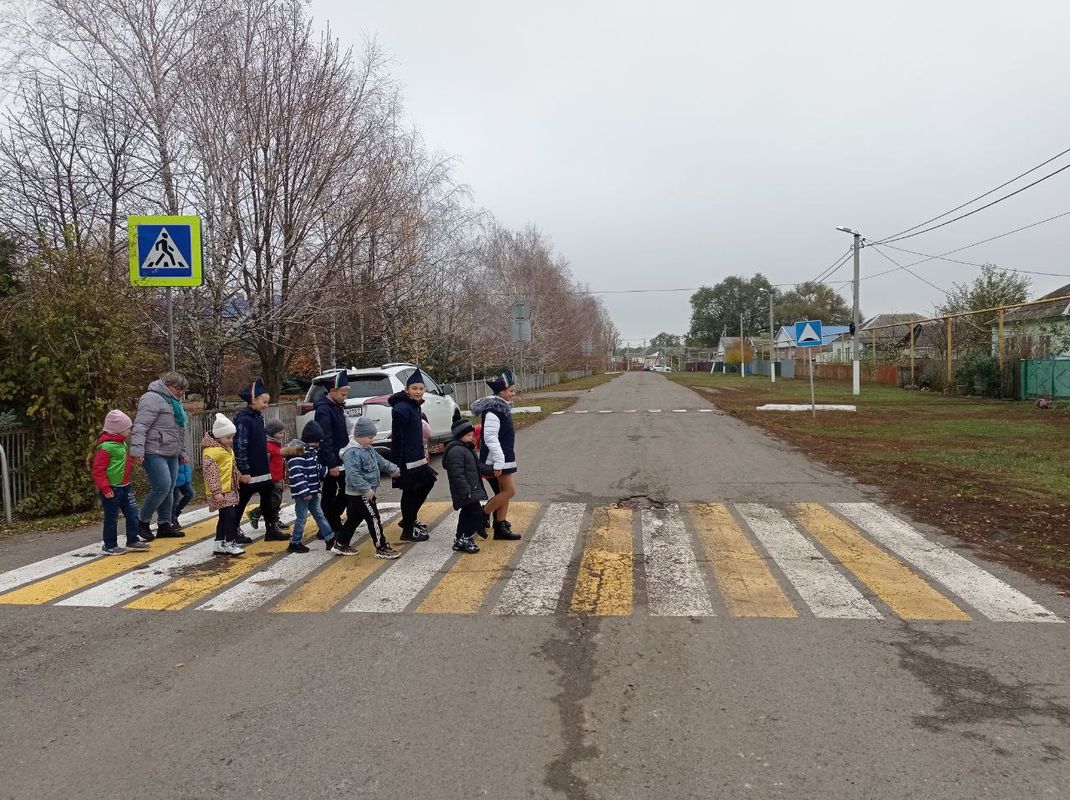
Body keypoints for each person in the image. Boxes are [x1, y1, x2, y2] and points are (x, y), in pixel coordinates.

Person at [130, 371, 190, 540]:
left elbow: (179, 430)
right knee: (162, 486)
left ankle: (164, 524)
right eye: (178, 388)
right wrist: (137, 452)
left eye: (183, 390)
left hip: (171, 451)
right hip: (153, 450)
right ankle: (142, 521)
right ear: (167, 384)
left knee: (170, 489)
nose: (181, 392)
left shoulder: (174, 402)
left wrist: (182, 452)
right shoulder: (151, 398)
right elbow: (140, 426)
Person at [338, 417, 401, 559]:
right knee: (374, 518)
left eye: (373, 437)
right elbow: (353, 475)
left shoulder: (368, 448)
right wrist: (366, 489)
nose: (372, 440)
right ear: (359, 436)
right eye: (370, 437)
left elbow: (381, 461)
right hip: (361, 493)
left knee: (354, 518)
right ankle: (381, 547)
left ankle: (341, 543)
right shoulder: (352, 452)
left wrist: (394, 470)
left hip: (365, 491)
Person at [91, 409, 151, 555]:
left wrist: (133, 460)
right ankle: (110, 545)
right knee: (111, 517)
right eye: (127, 428)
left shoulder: (122, 444)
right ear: (117, 431)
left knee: (132, 513)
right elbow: (98, 470)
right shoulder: (105, 447)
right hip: (112, 488)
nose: (129, 431)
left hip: (125, 486)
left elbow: (121, 462)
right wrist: (105, 488)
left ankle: (132, 539)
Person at [472, 370, 522, 540]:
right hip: (497, 458)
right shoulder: (493, 410)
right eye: (510, 391)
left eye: (513, 390)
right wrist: (499, 461)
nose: (513, 394)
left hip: (504, 456)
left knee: (503, 491)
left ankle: (500, 526)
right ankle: (482, 514)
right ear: (501, 391)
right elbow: (490, 438)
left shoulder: (501, 407)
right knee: (509, 491)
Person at [234, 378, 286, 542]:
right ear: (253, 400)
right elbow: (240, 445)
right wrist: (244, 470)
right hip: (251, 469)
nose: (266, 405)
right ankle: (232, 530)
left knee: (268, 497)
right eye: (264, 402)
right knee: (242, 500)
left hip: (263, 467)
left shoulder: (257, 417)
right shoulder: (243, 419)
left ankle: (271, 528)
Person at [389, 369, 437, 541]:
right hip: (407, 461)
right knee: (411, 492)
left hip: (418, 457)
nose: (418, 391)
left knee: (427, 482)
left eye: (421, 388)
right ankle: (408, 531)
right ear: (406, 389)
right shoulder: (401, 409)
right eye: (414, 388)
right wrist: (395, 464)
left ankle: (408, 519)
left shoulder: (414, 406)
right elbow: (398, 438)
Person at [283, 420, 339, 555]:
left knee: (319, 515)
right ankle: (295, 543)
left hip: (312, 491)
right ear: (310, 440)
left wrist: (327, 471)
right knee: (301, 518)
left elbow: (314, 469)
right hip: (304, 493)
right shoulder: (299, 453)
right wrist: (304, 491)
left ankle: (330, 538)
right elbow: (297, 474)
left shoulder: (310, 452)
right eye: (316, 441)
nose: (318, 444)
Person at [442, 418, 489, 554]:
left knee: (468, 514)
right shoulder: (456, 451)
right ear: (459, 435)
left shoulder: (466, 448)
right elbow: (457, 475)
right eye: (468, 435)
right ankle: (464, 537)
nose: (471, 437)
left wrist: (492, 470)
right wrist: (465, 491)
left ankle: (461, 538)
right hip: (465, 491)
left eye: (471, 434)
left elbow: (477, 467)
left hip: (470, 490)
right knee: (474, 513)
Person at [202, 413, 243, 556]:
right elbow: (211, 474)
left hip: (229, 489)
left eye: (232, 437)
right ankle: (230, 542)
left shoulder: (226, 449)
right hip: (220, 492)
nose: (231, 441)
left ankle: (219, 543)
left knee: (225, 516)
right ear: (218, 436)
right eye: (228, 438)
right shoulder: (212, 452)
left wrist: (239, 476)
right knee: (230, 516)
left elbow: (231, 467)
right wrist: (217, 491)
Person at [314, 371, 349, 535]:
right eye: (343, 393)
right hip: (331, 460)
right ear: (333, 391)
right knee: (336, 490)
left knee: (339, 489)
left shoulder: (336, 407)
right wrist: (332, 463)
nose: (345, 397)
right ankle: (329, 523)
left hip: (339, 457)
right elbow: (325, 439)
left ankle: (329, 521)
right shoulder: (324, 411)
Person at [249, 419, 288, 531]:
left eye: (283, 432)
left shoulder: (277, 444)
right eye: (280, 433)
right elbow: (263, 463)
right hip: (271, 478)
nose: (282, 435)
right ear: (272, 433)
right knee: (273, 500)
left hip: (278, 477)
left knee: (278, 500)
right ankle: (256, 512)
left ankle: (275, 520)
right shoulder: (268, 446)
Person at [170, 460, 195, 530]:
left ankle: (175, 514)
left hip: (184, 477)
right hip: (174, 476)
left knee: (190, 494)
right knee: (174, 499)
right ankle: (172, 520)